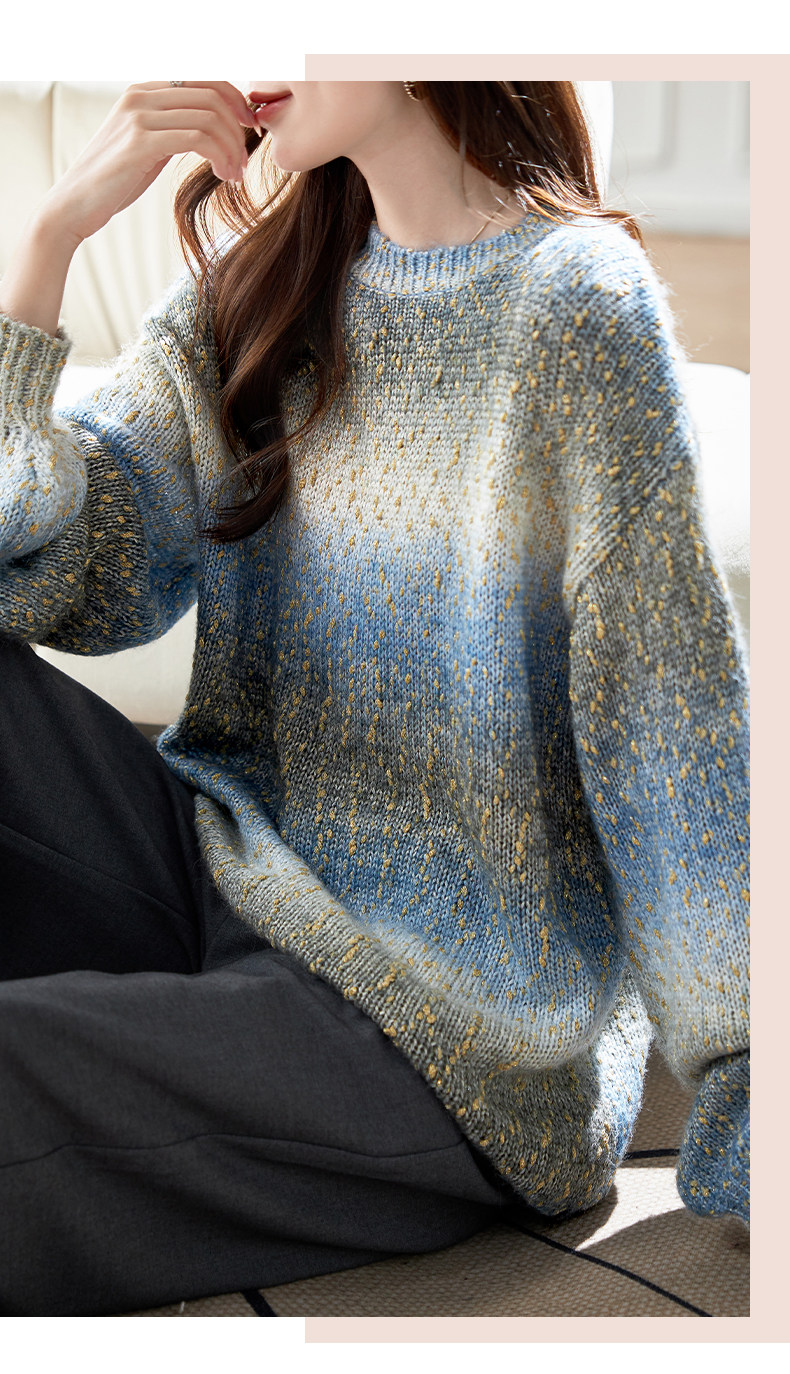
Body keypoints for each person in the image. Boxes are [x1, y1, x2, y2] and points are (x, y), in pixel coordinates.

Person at [0, 80, 750, 1318]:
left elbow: (670, 730)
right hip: (229, 871)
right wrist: (48, 243)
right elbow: (54, 575)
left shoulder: (575, 307)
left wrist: (750, 1089)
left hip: (443, 1034)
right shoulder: (264, 285)